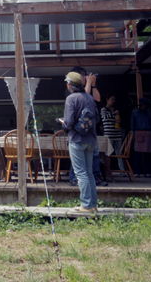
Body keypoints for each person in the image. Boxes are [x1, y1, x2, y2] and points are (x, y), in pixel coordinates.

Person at [62, 71, 99, 214]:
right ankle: (93, 205)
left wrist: (62, 123)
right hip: (91, 140)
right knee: (89, 173)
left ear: (70, 84)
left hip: (77, 140)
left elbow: (69, 122)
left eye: (67, 82)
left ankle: (86, 205)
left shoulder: (71, 98)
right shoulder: (89, 97)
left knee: (81, 173)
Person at [130, 97, 151, 176]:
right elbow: (132, 123)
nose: (143, 106)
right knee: (137, 153)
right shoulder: (135, 112)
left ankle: (147, 171)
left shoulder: (149, 112)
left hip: (148, 132)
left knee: (147, 154)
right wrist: (132, 133)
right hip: (138, 132)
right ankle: (137, 171)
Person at [101, 95, 124, 171]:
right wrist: (114, 113)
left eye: (114, 100)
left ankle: (122, 170)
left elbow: (119, 121)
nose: (113, 101)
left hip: (117, 135)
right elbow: (105, 118)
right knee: (108, 154)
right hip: (109, 135)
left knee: (119, 154)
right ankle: (107, 171)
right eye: (112, 99)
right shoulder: (103, 109)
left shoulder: (115, 110)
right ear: (107, 100)